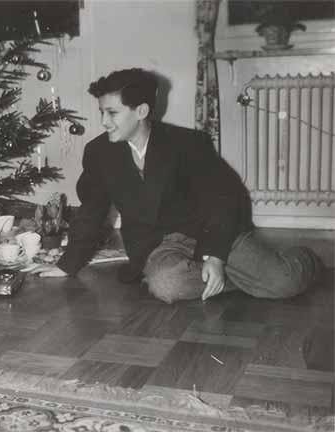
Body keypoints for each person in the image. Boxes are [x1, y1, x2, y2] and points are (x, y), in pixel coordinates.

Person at [31, 68, 322, 303]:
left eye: (112, 113)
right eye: (102, 113)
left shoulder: (188, 144)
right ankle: (241, 279)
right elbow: (91, 210)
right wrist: (66, 264)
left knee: (284, 282)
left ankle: (301, 261)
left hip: (211, 230)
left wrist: (216, 257)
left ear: (142, 111)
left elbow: (225, 199)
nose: (104, 122)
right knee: (168, 285)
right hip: (159, 244)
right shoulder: (99, 152)